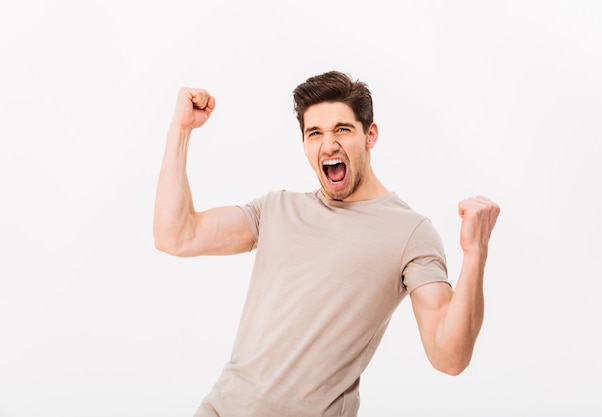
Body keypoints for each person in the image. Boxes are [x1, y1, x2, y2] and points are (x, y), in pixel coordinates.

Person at [153, 70, 500, 417]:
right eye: (314, 133)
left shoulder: (410, 233)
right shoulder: (276, 210)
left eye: (342, 130)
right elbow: (176, 235)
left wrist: (475, 254)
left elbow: (449, 357)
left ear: (370, 135)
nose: (328, 144)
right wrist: (180, 130)